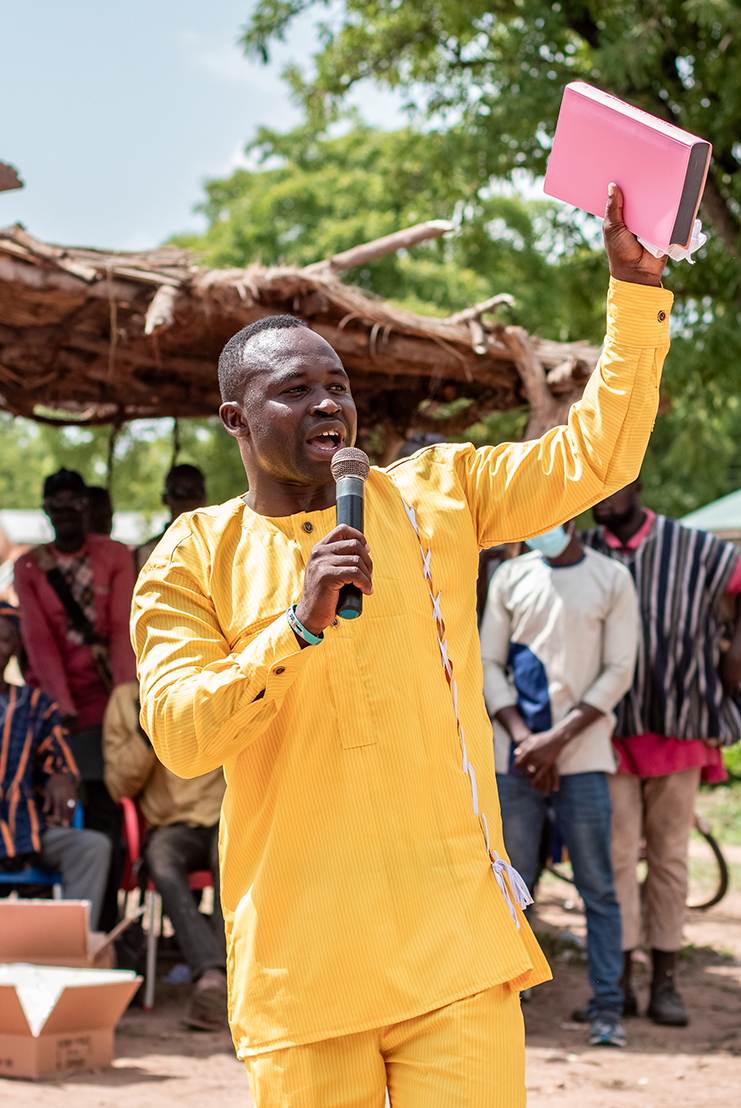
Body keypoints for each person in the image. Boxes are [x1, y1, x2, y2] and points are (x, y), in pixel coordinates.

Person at [131, 186, 673, 1107]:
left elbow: (595, 457)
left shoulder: (436, 498)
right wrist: (294, 627)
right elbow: (183, 736)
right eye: (293, 390)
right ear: (235, 421)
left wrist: (633, 293)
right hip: (304, 964)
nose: (326, 403)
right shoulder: (193, 554)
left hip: (453, 944)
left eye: (336, 384)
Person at [582, 479, 741, 1027]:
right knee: (614, 859)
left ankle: (666, 983)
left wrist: (737, 650)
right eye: (595, 495)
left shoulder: (692, 545)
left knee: (669, 859)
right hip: (605, 732)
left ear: (636, 485)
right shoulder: (583, 552)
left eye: (612, 491)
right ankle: (617, 986)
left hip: (679, 725)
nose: (601, 502)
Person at [481, 520, 639, 1048]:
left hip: (583, 757)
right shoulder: (509, 577)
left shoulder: (610, 579)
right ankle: (512, 1000)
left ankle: (606, 1005)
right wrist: (527, 740)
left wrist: (557, 740)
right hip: (516, 759)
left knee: (597, 885)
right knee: (514, 884)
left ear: (570, 520)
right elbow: (488, 663)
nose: (534, 532)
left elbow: (618, 671)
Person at [14, 468, 137, 930]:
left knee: (109, 811)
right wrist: (60, 712)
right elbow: (39, 643)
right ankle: (61, 928)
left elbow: (123, 631)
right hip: (59, 710)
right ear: (46, 509)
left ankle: (105, 927)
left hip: (111, 704)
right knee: (63, 811)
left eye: (75, 504)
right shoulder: (29, 567)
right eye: (58, 504)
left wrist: (125, 705)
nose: (67, 513)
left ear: (88, 508)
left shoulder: (114, 556)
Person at [103, 681, 227, 1029]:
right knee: (161, 863)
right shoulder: (125, 700)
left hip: (224, 813)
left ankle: (218, 980)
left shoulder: (212, 679)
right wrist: (147, 728)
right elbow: (119, 786)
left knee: (232, 859)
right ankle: (214, 975)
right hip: (170, 825)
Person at [0, 604, 111, 930]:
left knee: (92, 847)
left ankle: (67, 946)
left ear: (16, 650)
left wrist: (63, 775)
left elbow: (59, 758)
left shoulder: (36, 706)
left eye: (4, 640)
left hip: (27, 829)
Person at [134, 464, 207, 573]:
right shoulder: (147, 553)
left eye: (195, 492)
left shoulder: (220, 548)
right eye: (178, 492)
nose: (187, 500)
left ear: (205, 497)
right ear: (165, 498)